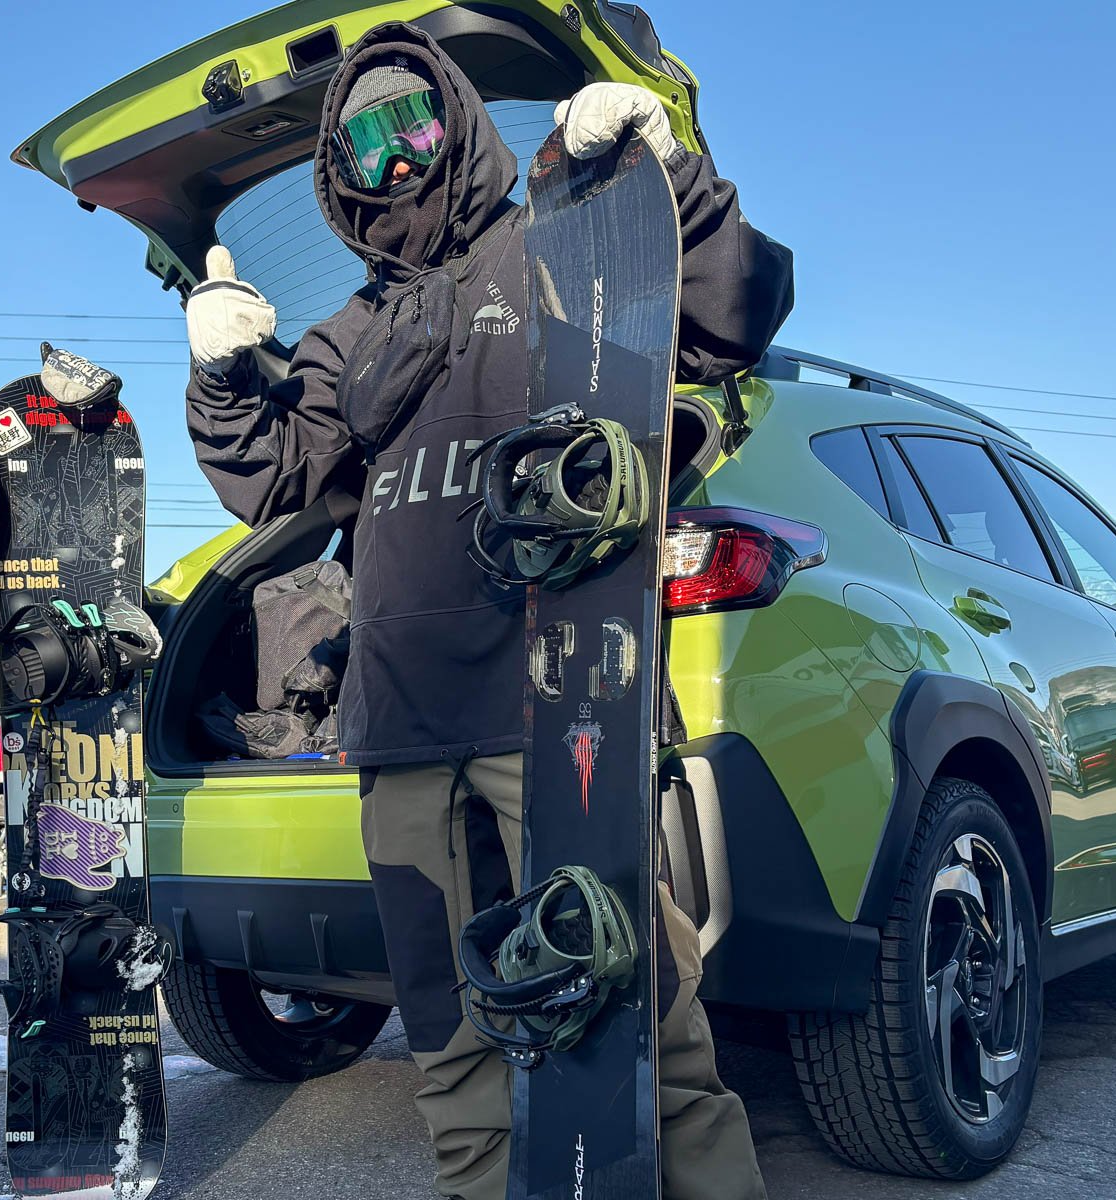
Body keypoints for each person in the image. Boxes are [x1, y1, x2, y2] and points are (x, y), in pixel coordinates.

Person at [184, 24, 794, 1200]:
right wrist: (220, 377)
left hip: (558, 701)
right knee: (451, 1040)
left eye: (413, 121)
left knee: (641, 1022)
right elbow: (272, 478)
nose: (395, 156)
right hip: (401, 731)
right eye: (363, 140)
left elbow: (732, 317)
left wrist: (675, 182)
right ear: (339, 172)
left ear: (457, 124)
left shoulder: (563, 246)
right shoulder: (346, 337)